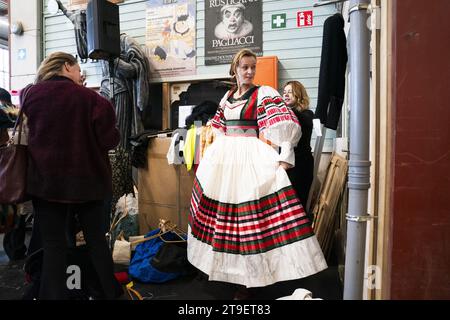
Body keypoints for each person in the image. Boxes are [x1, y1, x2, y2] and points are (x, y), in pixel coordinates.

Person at [187, 49, 327, 299]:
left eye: (253, 67)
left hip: (250, 156)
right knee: (225, 217)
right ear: (235, 69)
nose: (250, 71)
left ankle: (252, 279)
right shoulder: (227, 96)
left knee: (249, 219)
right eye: (244, 67)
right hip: (226, 159)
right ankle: (226, 271)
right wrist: (215, 154)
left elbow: (284, 124)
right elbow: (218, 128)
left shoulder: (264, 94)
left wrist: (285, 157)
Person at [21, 52, 122, 300]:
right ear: (67, 66)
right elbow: (110, 140)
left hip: (46, 185)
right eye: (78, 70)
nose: (80, 75)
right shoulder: (94, 100)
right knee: (96, 243)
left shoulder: (30, 95)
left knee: (54, 246)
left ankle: (51, 296)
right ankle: (110, 293)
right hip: (89, 185)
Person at [282, 81, 315, 212]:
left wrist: (283, 109)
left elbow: (299, 118)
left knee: (298, 203)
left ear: (298, 94)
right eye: (284, 92)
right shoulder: (286, 115)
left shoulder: (307, 114)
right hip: (287, 164)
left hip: (301, 165)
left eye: (289, 92)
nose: (285, 95)